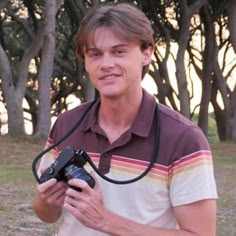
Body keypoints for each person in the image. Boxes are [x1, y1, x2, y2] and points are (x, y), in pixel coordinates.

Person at [32, 2, 218, 236]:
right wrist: (46, 202)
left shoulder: (184, 139)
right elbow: (46, 214)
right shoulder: (67, 124)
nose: (106, 64)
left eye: (119, 51)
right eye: (95, 54)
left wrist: (106, 221)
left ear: (146, 53)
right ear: (86, 62)